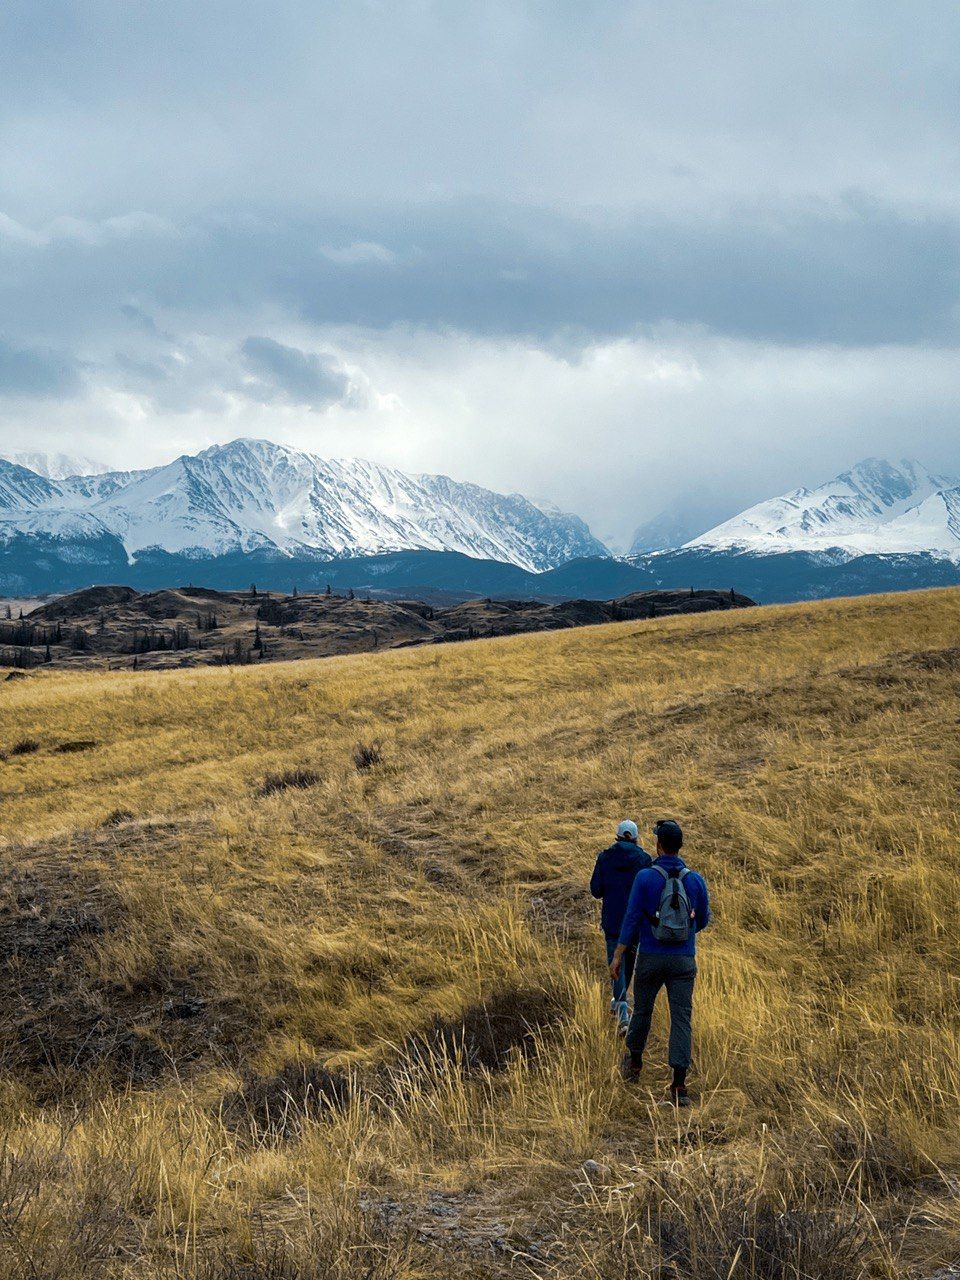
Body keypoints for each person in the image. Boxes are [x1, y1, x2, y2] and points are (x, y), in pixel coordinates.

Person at [610, 819, 710, 1105]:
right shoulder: (695, 880)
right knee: (681, 1018)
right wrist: (684, 933)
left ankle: (635, 1063)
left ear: (658, 845)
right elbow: (703, 919)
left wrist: (618, 954)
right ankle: (679, 1085)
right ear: (679, 846)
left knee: (642, 1011)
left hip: (651, 957)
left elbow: (630, 919)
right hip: (683, 960)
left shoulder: (645, 877)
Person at [590, 820, 652, 1032]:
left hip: (612, 922)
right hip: (635, 923)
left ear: (617, 837)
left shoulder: (605, 858)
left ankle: (622, 1013)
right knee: (627, 963)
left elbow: (596, 890)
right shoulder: (644, 859)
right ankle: (620, 1003)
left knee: (615, 965)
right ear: (635, 838)